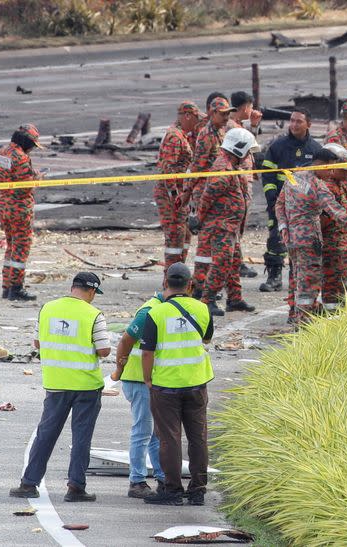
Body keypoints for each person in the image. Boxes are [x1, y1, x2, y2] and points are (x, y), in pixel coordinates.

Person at [9, 272, 110, 502]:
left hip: (56, 384)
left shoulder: (48, 309)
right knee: (81, 438)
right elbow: (104, 350)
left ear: (72, 287)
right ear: (92, 291)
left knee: (46, 434)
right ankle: (75, 487)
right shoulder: (94, 314)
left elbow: (37, 342)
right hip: (87, 386)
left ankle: (28, 483)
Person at [140, 262, 215, 506]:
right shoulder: (203, 309)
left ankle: (172, 491)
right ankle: (197, 491)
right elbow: (206, 338)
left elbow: (147, 352)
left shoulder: (156, 313)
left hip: (165, 386)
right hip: (196, 384)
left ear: (165, 283)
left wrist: (148, 378)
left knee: (169, 439)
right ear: (190, 285)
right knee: (198, 438)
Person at [275, 147, 347, 324]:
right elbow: (337, 212)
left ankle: (298, 318)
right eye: (331, 167)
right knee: (309, 285)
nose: (332, 172)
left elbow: (279, 205)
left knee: (298, 279)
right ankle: (303, 324)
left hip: (292, 240)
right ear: (323, 164)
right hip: (310, 240)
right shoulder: (318, 186)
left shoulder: (293, 177)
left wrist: (283, 228)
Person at [196, 128, 259, 316]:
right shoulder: (224, 170)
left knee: (234, 263)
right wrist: (198, 218)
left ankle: (234, 298)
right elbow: (208, 196)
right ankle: (207, 300)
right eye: (247, 150)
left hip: (230, 226)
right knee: (222, 263)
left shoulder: (231, 166)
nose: (248, 155)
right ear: (239, 149)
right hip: (221, 226)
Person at [111, 287, 167, 499]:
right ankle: (137, 481)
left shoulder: (161, 309)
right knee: (143, 431)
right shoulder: (149, 312)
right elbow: (125, 341)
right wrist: (119, 369)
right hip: (138, 379)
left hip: (148, 379)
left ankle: (162, 477)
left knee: (155, 433)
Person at [259, 107, 322, 293]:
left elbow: (320, 180)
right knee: (276, 240)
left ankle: (298, 277)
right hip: (279, 205)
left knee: (302, 243)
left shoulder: (316, 150)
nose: (294, 124)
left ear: (308, 124)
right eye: (292, 121)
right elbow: (267, 174)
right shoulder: (277, 146)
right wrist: (271, 195)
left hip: (304, 209)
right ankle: (274, 277)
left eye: (298, 121)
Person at [182, 96, 236, 290]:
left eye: (228, 114)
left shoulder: (221, 132)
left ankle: (211, 285)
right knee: (206, 243)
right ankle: (201, 286)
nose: (226, 117)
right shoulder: (206, 135)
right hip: (205, 192)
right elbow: (197, 166)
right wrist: (188, 194)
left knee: (217, 243)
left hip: (217, 192)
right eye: (223, 114)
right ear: (212, 113)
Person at [0, 123, 43, 301]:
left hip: (3, 204)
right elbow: (24, 187)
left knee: (10, 245)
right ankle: (16, 288)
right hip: (19, 207)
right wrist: (36, 179)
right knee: (21, 248)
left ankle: (7, 286)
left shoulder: (2, 152)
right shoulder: (21, 157)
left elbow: (9, 176)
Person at [156, 101, 200, 268]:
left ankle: (179, 270)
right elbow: (168, 169)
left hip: (180, 194)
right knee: (175, 235)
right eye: (195, 118)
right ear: (187, 116)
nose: (197, 123)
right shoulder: (174, 137)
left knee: (184, 235)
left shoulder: (182, 135)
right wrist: (175, 196)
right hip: (171, 197)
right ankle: (172, 277)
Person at [319, 143, 347, 311]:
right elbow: (324, 218)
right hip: (333, 246)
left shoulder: (339, 186)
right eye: (345, 169)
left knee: (342, 285)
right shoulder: (328, 187)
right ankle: (331, 318)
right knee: (332, 286)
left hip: (342, 245)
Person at [226, 91, 261, 280]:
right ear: (246, 107)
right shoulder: (232, 127)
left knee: (239, 223)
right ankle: (235, 262)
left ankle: (236, 260)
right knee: (237, 223)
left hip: (244, 180)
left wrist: (253, 126)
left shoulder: (238, 126)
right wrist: (253, 127)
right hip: (239, 182)